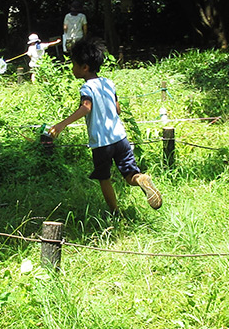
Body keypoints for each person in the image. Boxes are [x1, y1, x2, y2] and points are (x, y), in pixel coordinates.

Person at [49, 38, 162, 215]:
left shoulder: (86, 88)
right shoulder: (109, 83)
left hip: (102, 143)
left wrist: (62, 124)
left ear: (84, 67)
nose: (72, 69)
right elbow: (117, 109)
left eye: (74, 65)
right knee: (130, 174)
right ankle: (142, 179)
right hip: (120, 138)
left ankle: (115, 212)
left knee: (104, 178)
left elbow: (86, 107)